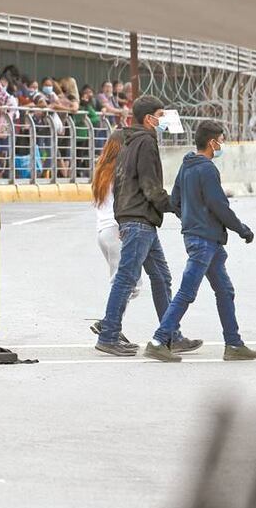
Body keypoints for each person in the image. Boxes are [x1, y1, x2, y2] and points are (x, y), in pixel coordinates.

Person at [95, 95, 202, 356]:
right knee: (127, 278)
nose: (164, 120)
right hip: (139, 220)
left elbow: (122, 184)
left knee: (161, 276)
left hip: (140, 220)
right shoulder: (145, 141)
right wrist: (178, 207)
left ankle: (170, 334)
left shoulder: (128, 141)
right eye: (161, 115)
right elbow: (150, 186)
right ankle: (108, 335)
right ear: (148, 119)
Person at [144, 121, 256, 362]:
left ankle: (234, 344)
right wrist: (242, 229)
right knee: (187, 292)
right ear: (211, 142)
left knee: (225, 291)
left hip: (205, 240)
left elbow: (175, 201)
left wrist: (190, 217)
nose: (222, 145)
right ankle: (158, 340)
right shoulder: (206, 168)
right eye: (221, 141)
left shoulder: (186, 166)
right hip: (205, 240)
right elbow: (219, 205)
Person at [89, 130, 143, 347]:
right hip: (117, 229)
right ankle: (109, 324)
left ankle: (112, 323)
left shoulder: (102, 169)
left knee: (123, 281)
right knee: (129, 283)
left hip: (103, 230)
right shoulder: (120, 171)